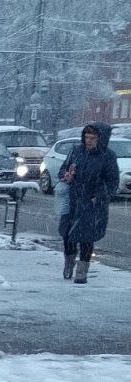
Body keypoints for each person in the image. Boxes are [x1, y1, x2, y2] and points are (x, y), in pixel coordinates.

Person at [57, 122, 119, 284]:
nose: (88, 141)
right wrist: (66, 175)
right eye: (86, 137)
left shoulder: (108, 156)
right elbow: (62, 170)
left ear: (101, 139)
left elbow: (112, 182)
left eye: (93, 138)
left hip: (92, 205)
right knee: (68, 236)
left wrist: (98, 196)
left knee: (86, 238)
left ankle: (82, 272)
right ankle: (69, 263)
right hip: (72, 201)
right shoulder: (76, 151)